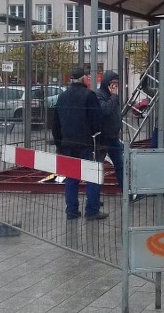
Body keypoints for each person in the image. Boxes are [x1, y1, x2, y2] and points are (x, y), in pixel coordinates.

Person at [52, 66, 107, 220]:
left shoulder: (62, 97)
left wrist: (59, 144)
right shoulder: (89, 96)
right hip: (86, 143)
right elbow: (97, 122)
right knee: (92, 176)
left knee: (71, 177)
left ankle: (71, 211)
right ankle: (92, 210)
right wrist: (99, 141)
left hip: (67, 144)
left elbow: (55, 123)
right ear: (83, 78)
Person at [95, 70, 124, 190]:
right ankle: (94, 197)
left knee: (120, 165)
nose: (115, 86)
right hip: (103, 139)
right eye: (113, 83)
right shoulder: (99, 95)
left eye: (117, 83)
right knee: (98, 167)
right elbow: (104, 111)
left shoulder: (114, 96)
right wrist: (113, 97)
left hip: (113, 137)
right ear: (107, 83)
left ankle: (126, 191)